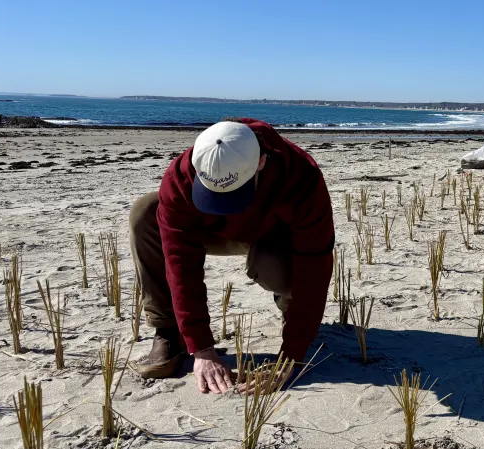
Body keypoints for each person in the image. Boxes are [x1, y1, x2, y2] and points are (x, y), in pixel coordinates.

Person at [130, 119, 335, 394]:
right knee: (145, 212)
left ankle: (291, 314)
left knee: (280, 266)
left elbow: (314, 268)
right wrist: (201, 349)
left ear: (261, 163)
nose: (224, 205)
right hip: (211, 231)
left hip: (272, 237)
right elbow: (181, 266)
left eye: (233, 194)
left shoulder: (301, 176)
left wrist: (291, 357)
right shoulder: (181, 175)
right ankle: (168, 333)